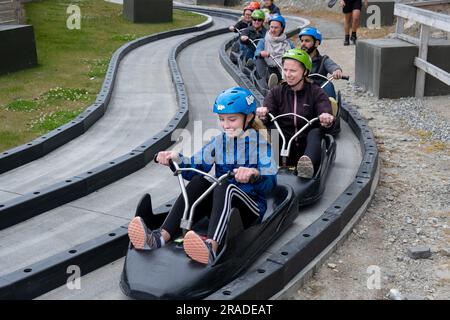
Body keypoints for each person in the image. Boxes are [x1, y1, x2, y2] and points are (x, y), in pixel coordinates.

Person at [128, 87, 278, 265]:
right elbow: (196, 167)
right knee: (200, 181)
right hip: (222, 202)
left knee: (225, 186)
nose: (226, 125)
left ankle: (210, 248)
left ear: (249, 117)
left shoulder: (261, 144)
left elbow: (271, 182)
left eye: (232, 119)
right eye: (222, 120)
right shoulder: (220, 142)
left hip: (250, 208)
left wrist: (255, 174)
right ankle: (160, 237)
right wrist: (176, 159)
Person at [256, 48, 334, 178]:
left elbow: (323, 107)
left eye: (292, 71)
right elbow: (268, 110)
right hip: (282, 139)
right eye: (285, 70)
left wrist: (325, 116)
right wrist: (263, 113)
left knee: (315, 132)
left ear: (305, 72)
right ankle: (269, 164)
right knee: (271, 129)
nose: (288, 74)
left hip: (306, 142)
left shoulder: (315, 92)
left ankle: (305, 166)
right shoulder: (277, 92)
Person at [299, 26, 343, 98]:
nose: (303, 44)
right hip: (300, 89)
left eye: (307, 41)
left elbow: (331, 65)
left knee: (328, 85)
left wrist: (336, 70)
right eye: (302, 41)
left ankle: (330, 107)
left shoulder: (323, 60)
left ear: (316, 43)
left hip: (318, 91)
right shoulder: (298, 59)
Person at [254, 14, 294, 90]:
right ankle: (266, 84)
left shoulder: (288, 43)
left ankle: (281, 83)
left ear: (282, 29)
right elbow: (257, 52)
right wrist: (261, 53)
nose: (273, 30)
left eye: (276, 28)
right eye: (271, 27)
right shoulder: (263, 41)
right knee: (259, 59)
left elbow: (294, 55)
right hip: (267, 67)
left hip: (282, 68)